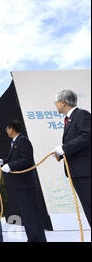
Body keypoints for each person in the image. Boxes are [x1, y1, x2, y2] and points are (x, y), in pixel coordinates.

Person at [0, 119, 47, 242]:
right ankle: (33, 238)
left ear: (12, 128)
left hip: (26, 184)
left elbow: (26, 160)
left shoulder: (22, 140)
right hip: (20, 184)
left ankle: (38, 239)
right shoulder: (15, 142)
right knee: (27, 215)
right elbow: (13, 158)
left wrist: (11, 166)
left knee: (32, 214)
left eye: (7, 128)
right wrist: (4, 161)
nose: (6, 131)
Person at [53, 90, 91, 227]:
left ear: (63, 102)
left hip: (86, 172)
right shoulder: (69, 119)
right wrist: (61, 154)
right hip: (77, 172)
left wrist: (64, 148)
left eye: (56, 102)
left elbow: (87, 136)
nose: (55, 105)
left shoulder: (81, 114)